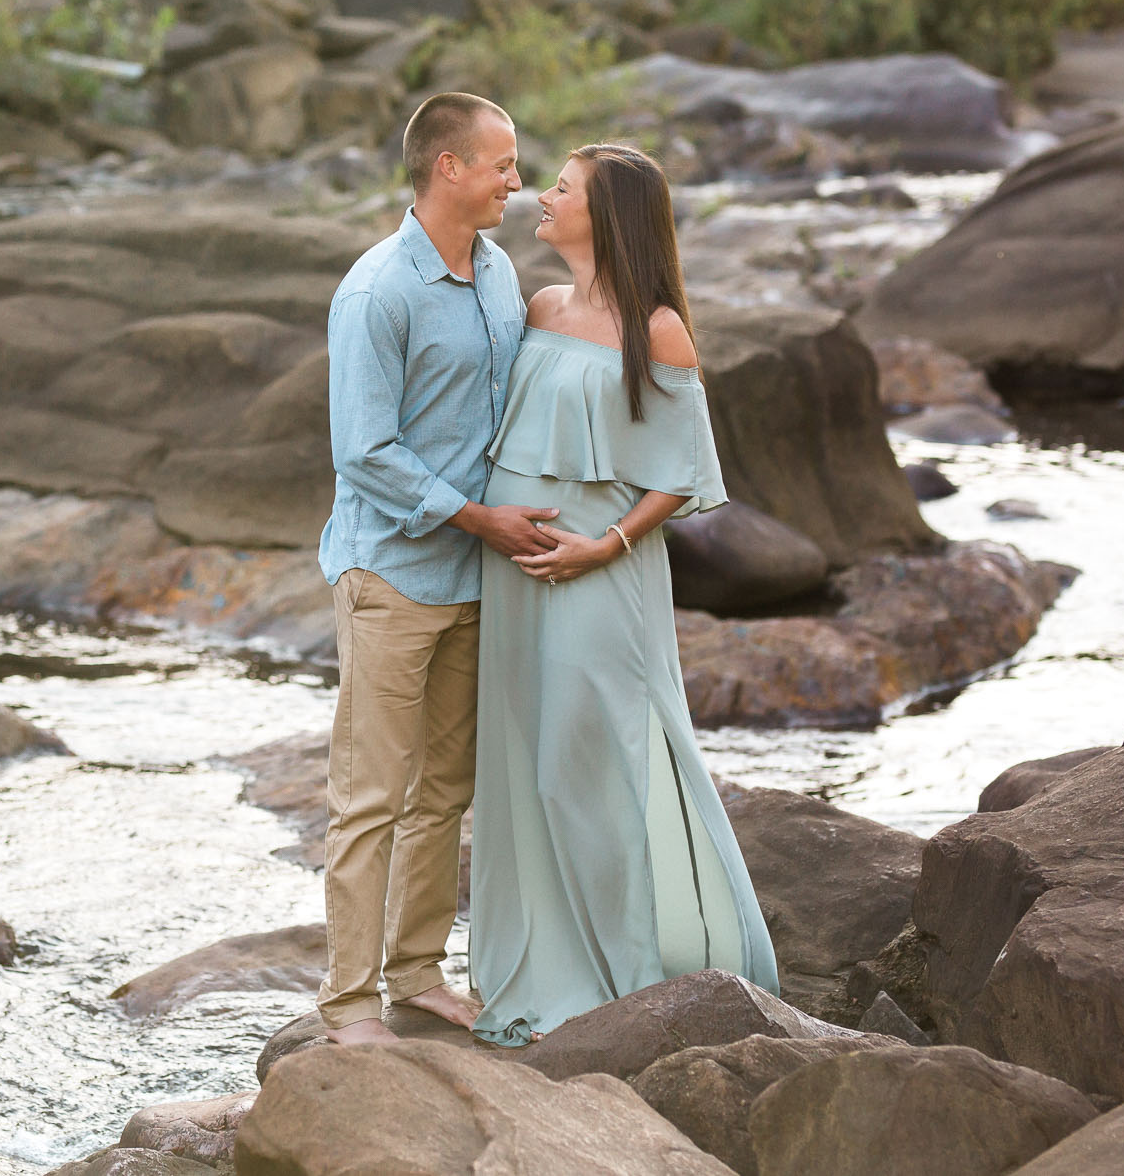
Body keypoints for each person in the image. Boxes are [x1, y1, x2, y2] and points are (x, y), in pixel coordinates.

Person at [468, 143, 781, 1046]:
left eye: (561, 189)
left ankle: (637, 969)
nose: (541, 196)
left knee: (598, 756)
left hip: (601, 571)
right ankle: (537, 967)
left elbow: (680, 473)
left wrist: (602, 545)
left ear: (605, 216)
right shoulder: (540, 305)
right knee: (523, 761)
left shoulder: (660, 328)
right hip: (515, 570)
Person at [316, 93, 558, 1045]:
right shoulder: (377, 292)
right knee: (369, 798)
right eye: (502, 162)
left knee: (444, 793)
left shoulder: (499, 272)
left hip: (476, 576)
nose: (517, 180)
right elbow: (363, 449)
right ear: (448, 167)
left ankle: (415, 973)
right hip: (393, 577)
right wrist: (479, 518)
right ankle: (344, 1004)